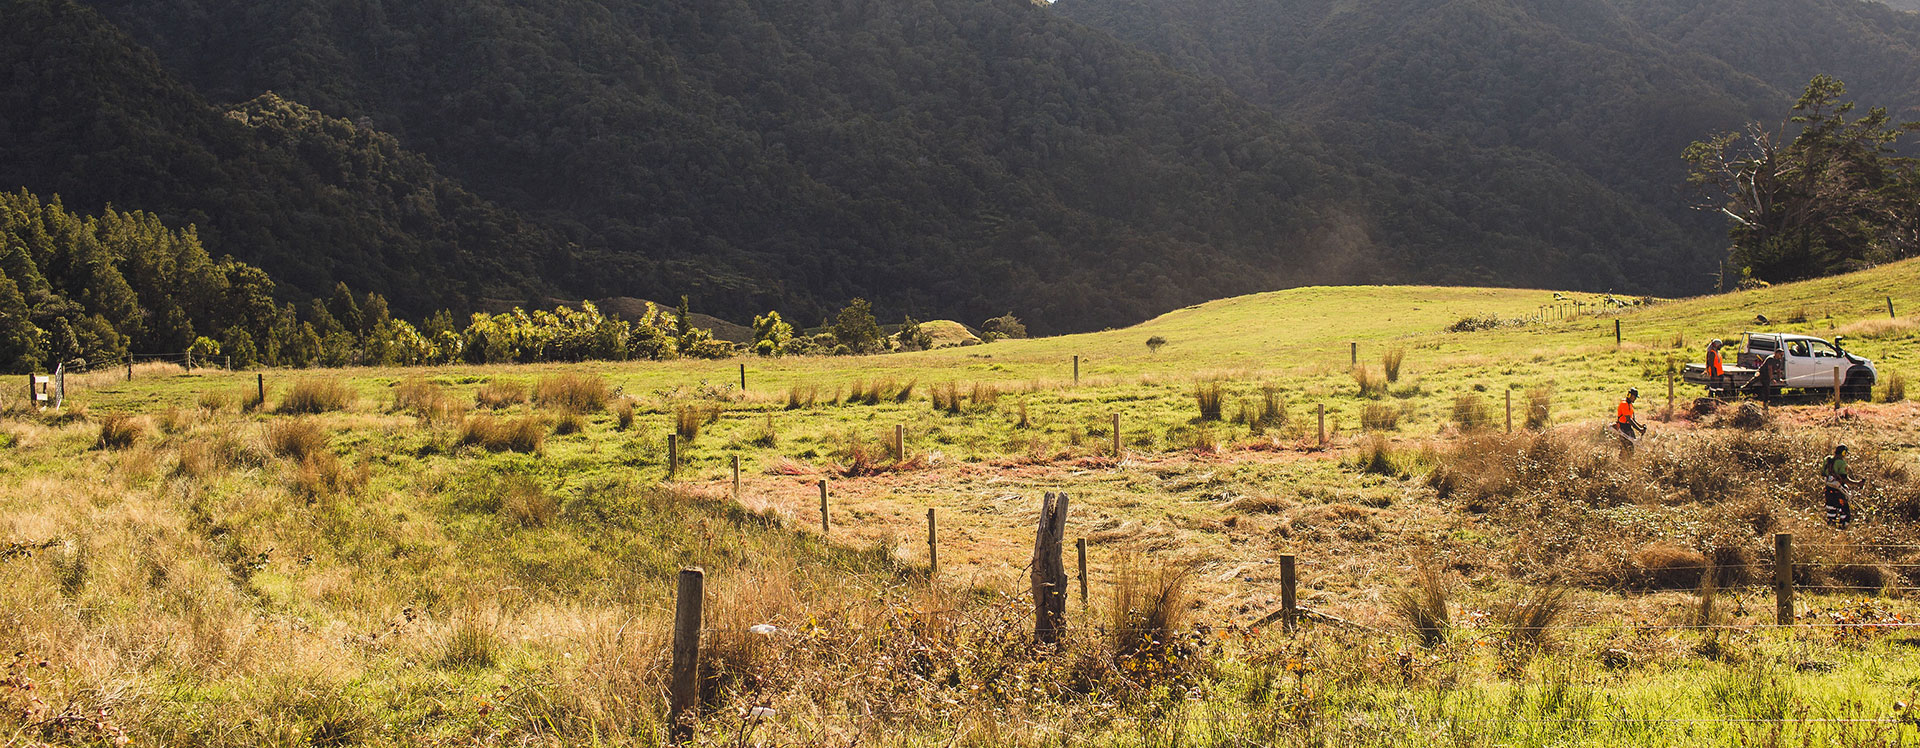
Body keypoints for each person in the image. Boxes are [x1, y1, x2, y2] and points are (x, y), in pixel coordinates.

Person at [1822, 445, 1864, 528]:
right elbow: (1845, 479)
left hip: (1828, 488)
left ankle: (1831, 528)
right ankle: (1842, 528)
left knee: (1831, 510)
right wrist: (1857, 483)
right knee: (1844, 511)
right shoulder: (1841, 463)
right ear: (1843, 453)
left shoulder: (1827, 459)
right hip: (1838, 491)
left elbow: (1822, 473)